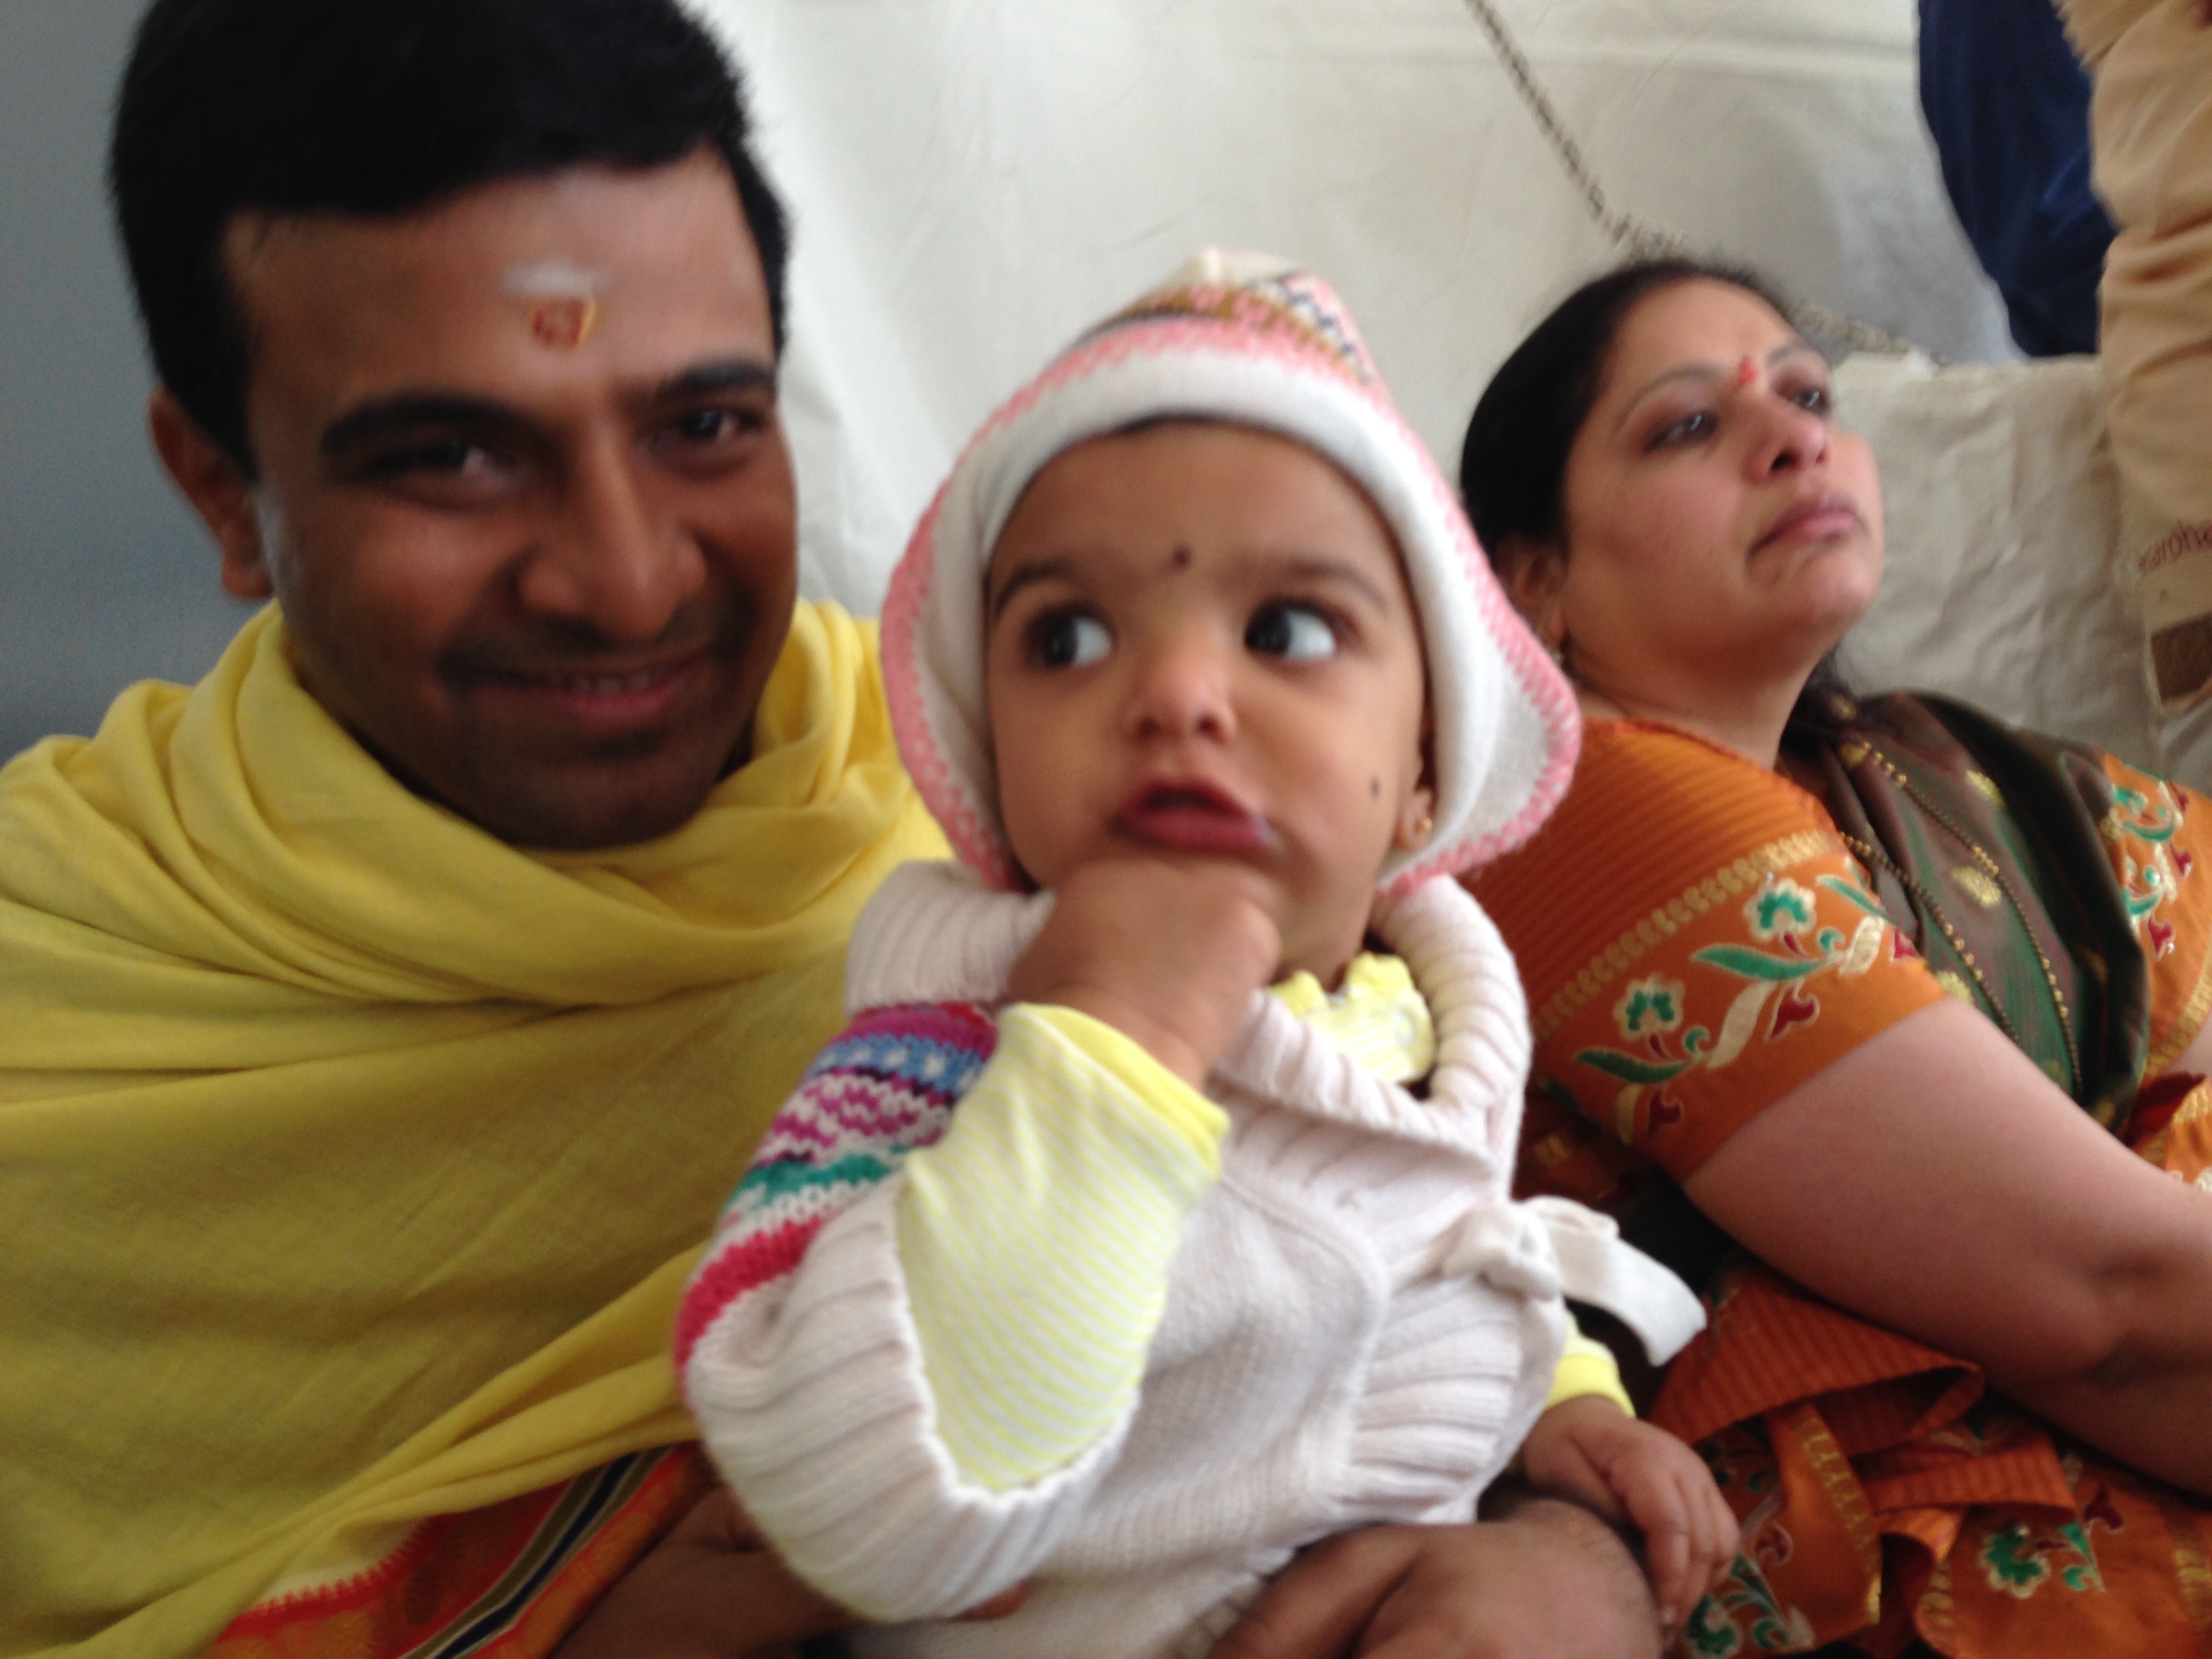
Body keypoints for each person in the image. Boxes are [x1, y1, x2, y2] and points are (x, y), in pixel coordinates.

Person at [0, 1, 1672, 1654]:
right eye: (451, 457)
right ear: (221, 488)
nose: (625, 580)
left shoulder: (1014, 803)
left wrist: (1566, 1558)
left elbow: (1406, 1218)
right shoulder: (50, 995)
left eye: (703, 427)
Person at [674, 255, 1734, 1658]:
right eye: (1067, 637)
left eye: (1286, 630)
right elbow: (860, 1496)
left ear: (1425, 769)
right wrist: (1107, 1050)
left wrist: (1565, 1406)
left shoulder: (1416, 1021)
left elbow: (1443, 1259)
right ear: (989, 759)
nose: (1174, 693)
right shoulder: (939, 1061)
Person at [1458, 256, 2212, 1657]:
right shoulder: (1582, 814)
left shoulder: (1937, 776)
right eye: (1689, 425)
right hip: (1911, 1562)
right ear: (1533, 584)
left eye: (1809, 396)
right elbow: (2110, 1308)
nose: (1793, 437)